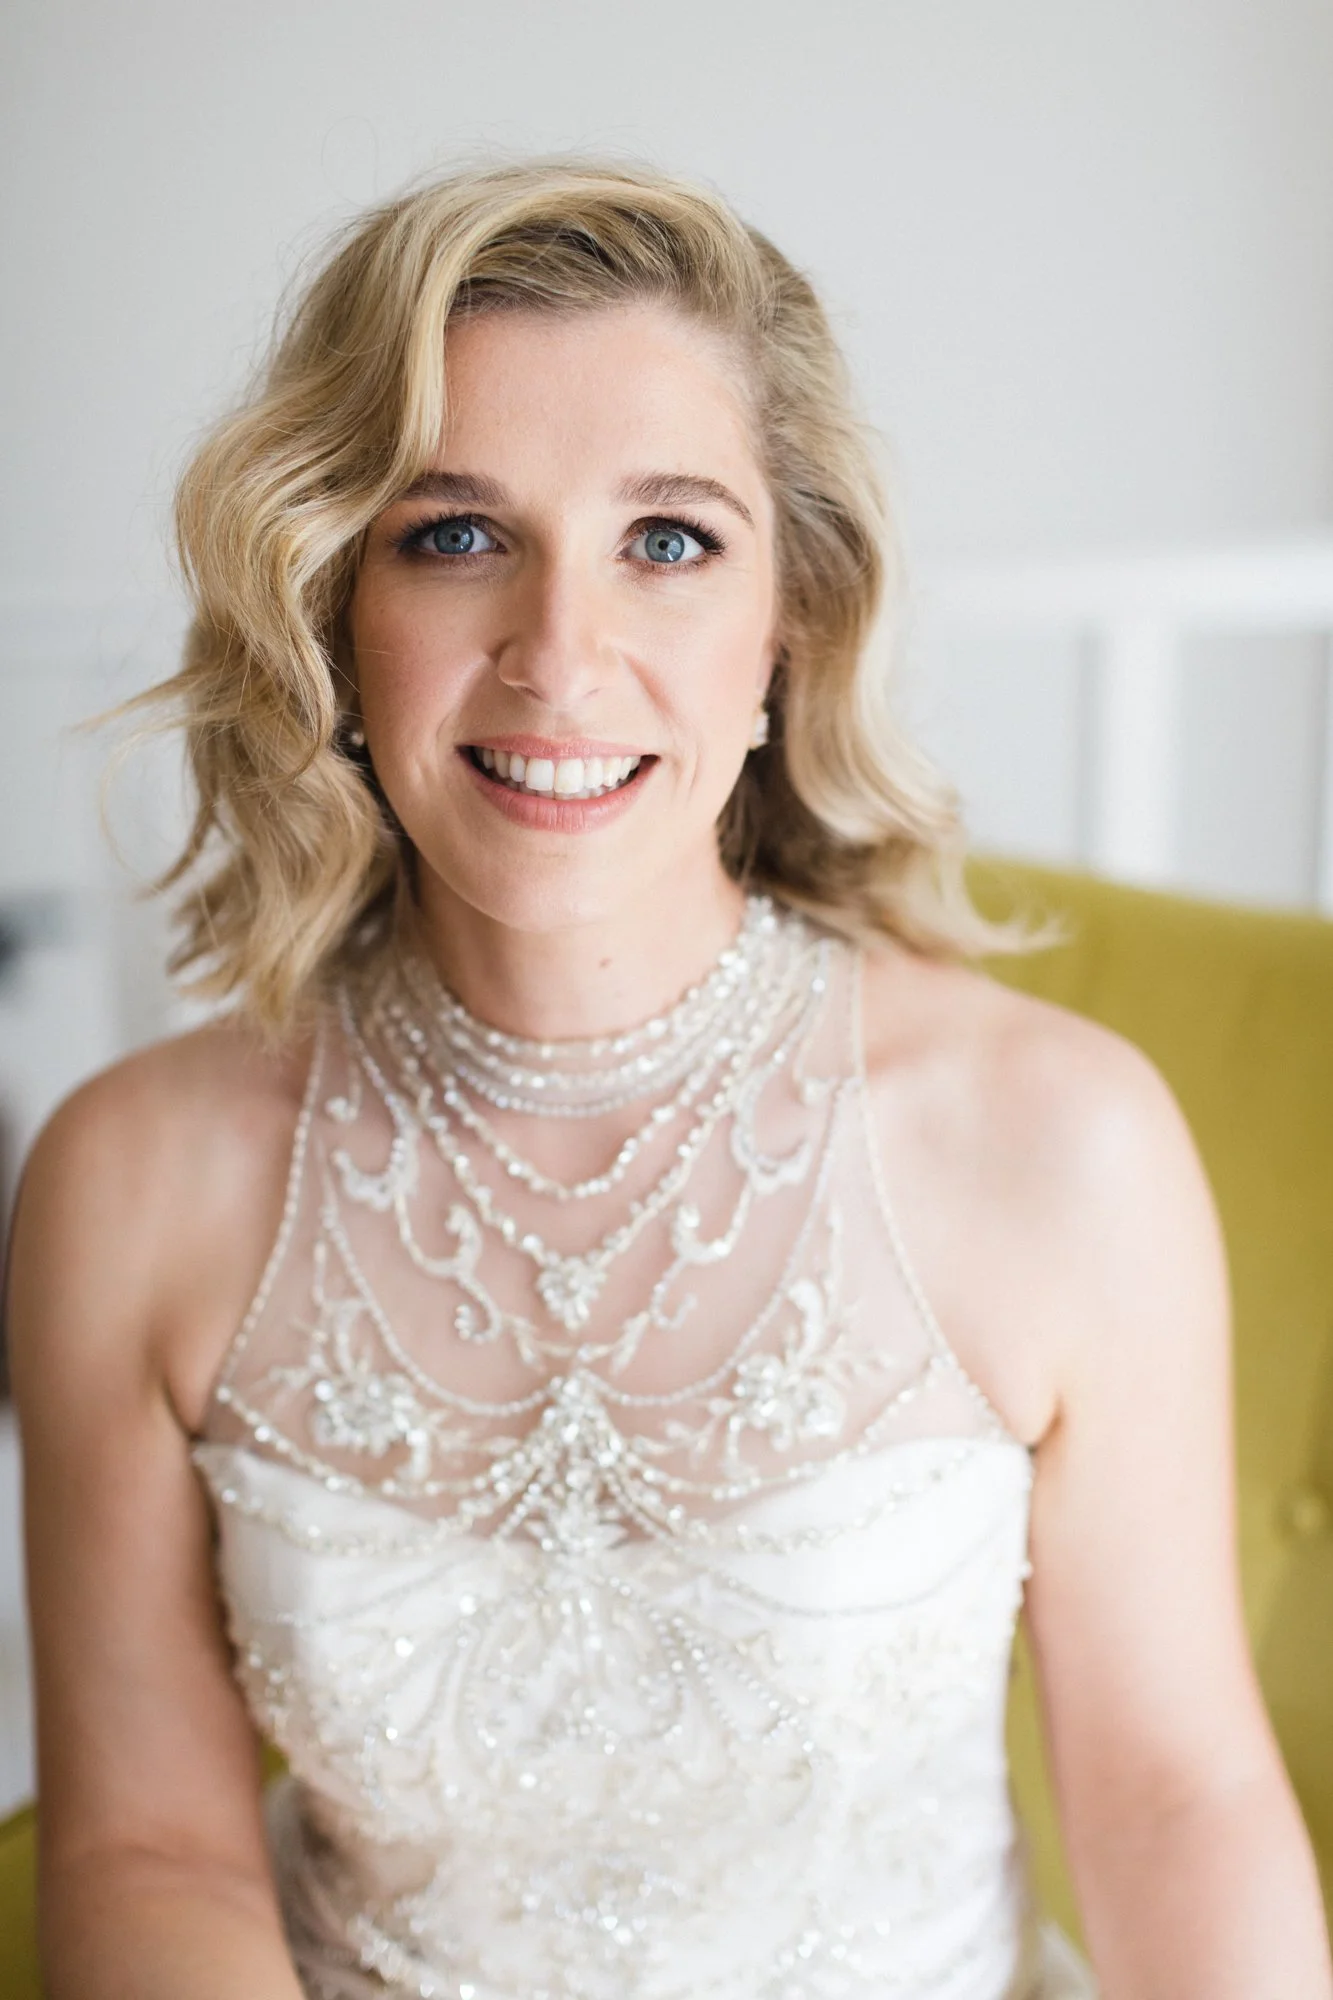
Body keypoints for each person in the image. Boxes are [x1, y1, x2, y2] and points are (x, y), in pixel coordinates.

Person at [8, 158, 1330, 2000]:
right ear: (331, 604)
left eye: (671, 541)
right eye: (454, 536)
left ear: (791, 622)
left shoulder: (1060, 1146)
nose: (561, 659)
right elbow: (147, 1847)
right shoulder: (130, 1183)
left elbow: (1176, 1803)